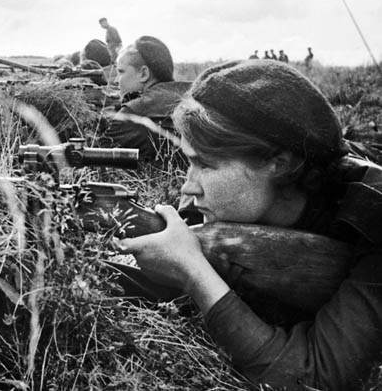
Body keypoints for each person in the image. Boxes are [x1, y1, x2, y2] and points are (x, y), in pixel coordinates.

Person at [117, 60, 382, 390]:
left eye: (205, 164)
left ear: (278, 164)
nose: (188, 187)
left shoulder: (373, 216)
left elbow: (313, 377)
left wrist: (195, 274)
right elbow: (152, 289)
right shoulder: (229, 203)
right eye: (189, 162)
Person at [100, 36, 187, 161]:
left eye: (121, 72)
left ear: (143, 74)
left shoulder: (136, 111)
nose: (116, 80)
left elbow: (98, 156)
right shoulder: (192, 93)